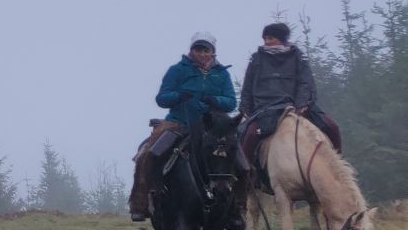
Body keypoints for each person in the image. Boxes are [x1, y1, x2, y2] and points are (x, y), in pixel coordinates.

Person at [128, 32, 237, 222]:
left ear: (213, 52)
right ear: (191, 50)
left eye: (206, 50)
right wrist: (178, 96)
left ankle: (238, 207)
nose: (202, 53)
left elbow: (231, 102)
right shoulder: (177, 70)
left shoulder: (222, 73)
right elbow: (161, 98)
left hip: (211, 127)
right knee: (149, 153)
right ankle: (140, 204)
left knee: (241, 159)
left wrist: (216, 100)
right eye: (198, 49)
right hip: (178, 122)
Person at [237, 22, 342, 187]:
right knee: (248, 135)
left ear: (281, 39)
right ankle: (244, 178)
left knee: (332, 127)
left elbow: (306, 82)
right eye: (264, 37)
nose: (266, 41)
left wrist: (302, 103)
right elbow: (248, 85)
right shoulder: (257, 59)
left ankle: (337, 171)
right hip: (265, 107)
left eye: (270, 37)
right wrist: (245, 108)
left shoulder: (297, 57)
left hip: (296, 106)